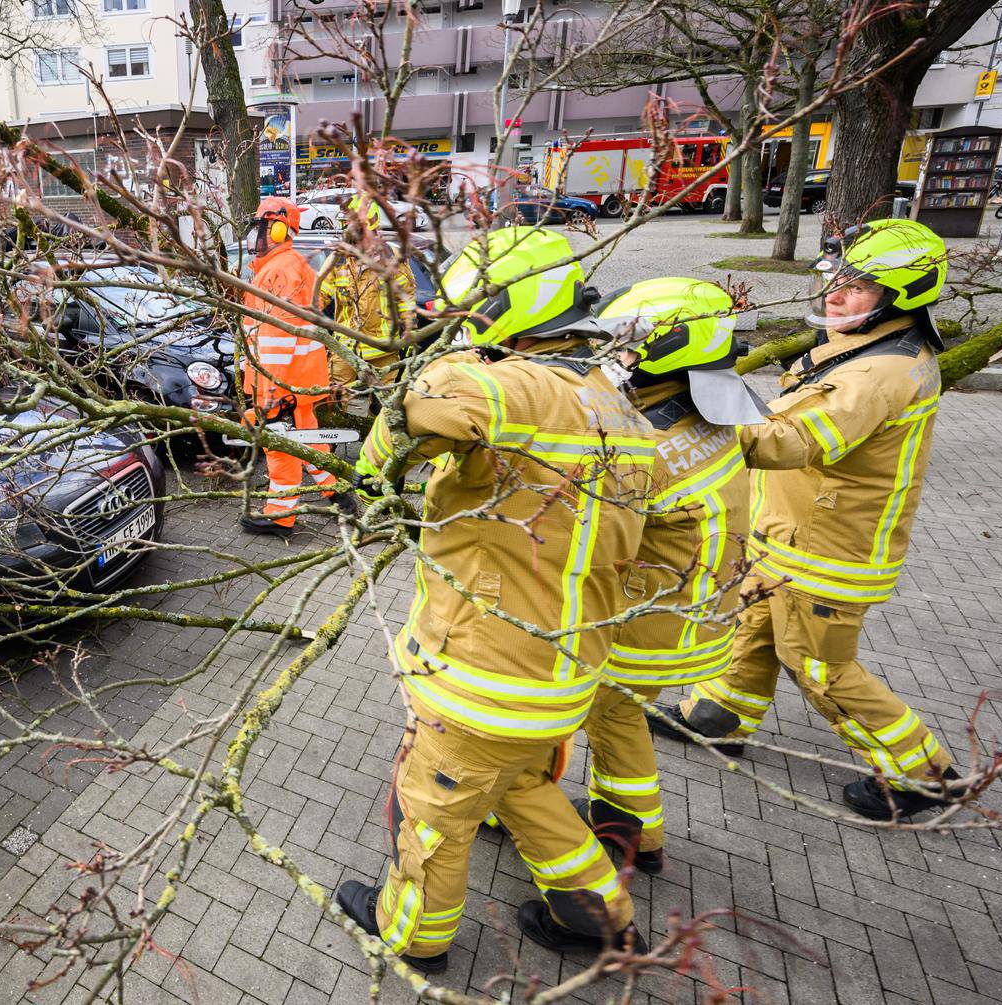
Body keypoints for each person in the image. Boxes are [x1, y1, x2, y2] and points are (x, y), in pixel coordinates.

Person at [336, 227, 654, 969]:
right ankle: (597, 915)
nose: (464, 330)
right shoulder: (616, 407)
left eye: (472, 314)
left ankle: (412, 934)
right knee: (525, 793)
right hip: (559, 674)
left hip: (485, 676)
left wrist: (372, 472)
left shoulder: (520, 384)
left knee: (433, 815)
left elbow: (430, 400)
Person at [649, 219, 959, 820]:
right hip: (793, 536)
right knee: (755, 624)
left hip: (830, 550)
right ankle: (717, 715)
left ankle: (921, 775)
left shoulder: (879, 373)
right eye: (837, 278)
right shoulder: (876, 345)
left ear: (902, 296)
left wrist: (692, 419)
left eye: (859, 286)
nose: (836, 294)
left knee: (821, 667)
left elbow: (790, 440)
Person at [573, 278, 765, 875]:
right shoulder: (703, 415)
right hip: (693, 612)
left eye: (625, 349)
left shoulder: (645, 449)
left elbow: (586, 535)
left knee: (607, 716)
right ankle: (634, 825)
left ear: (667, 356)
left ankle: (628, 838)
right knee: (622, 717)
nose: (612, 359)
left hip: (652, 624)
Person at [239, 195, 345, 537]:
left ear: (283, 229)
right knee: (311, 440)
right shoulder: (283, 266)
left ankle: (280, 516)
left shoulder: (280, 271)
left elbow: (276, 341)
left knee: (281, 447)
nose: (258, 236)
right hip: (298, 380)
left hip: (281, 383)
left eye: (265, 228)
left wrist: (271, 393)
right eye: (259, 227)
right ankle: (337, 494)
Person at [314, 195, 418, 401]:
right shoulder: (339, 260)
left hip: (383, 351)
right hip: (344, 350)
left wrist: (409, 334)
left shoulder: (392, 260)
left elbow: (406, 300)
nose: (347, 232)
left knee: (386, 406)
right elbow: (320, 295)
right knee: (336, 401)